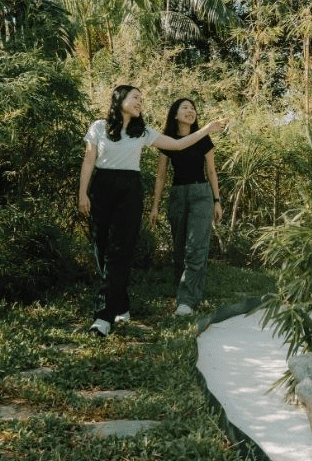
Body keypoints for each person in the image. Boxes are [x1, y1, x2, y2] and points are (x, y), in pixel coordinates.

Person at [78, 85, 226, 337]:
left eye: (141, 99)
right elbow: (89, 160)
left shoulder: (143, 132)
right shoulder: (98, 127)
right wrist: (82, 193)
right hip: (101, 188)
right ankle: (120, 304)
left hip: (130, 190)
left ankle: (103, 315)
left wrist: (208, 129)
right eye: (135, 97)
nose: (140, 102)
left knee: (120, 251)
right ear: (119, 99)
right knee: (101, 250)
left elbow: (179, 145)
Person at [149, 98, 222, 317]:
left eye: (193, 108)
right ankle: (185, 292)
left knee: (196, 248)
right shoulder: (167, 141)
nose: (190, 111)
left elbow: (211, 172)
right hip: (178, 195)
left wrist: (217, 201)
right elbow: (161, 176)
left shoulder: (203, 139)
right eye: (185, 108)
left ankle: (187, 300)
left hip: (201, 194)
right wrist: (155, 207)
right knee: (180, 248)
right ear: (175, 115)